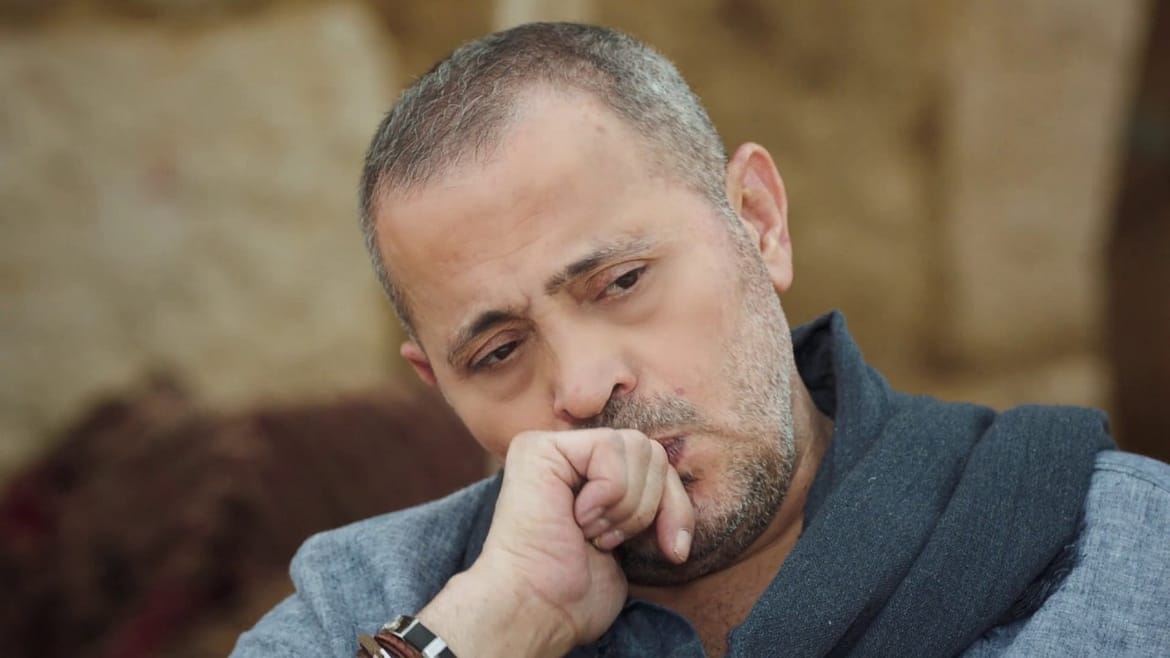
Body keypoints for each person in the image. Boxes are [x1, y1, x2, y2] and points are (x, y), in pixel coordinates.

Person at [232, 22, 1170, 658]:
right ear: (437, 386)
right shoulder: (360, 605)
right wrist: (490, 629)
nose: (584, 386)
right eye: (498, 353)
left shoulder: (1125, 553)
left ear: (759, 220)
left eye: (622, 282)